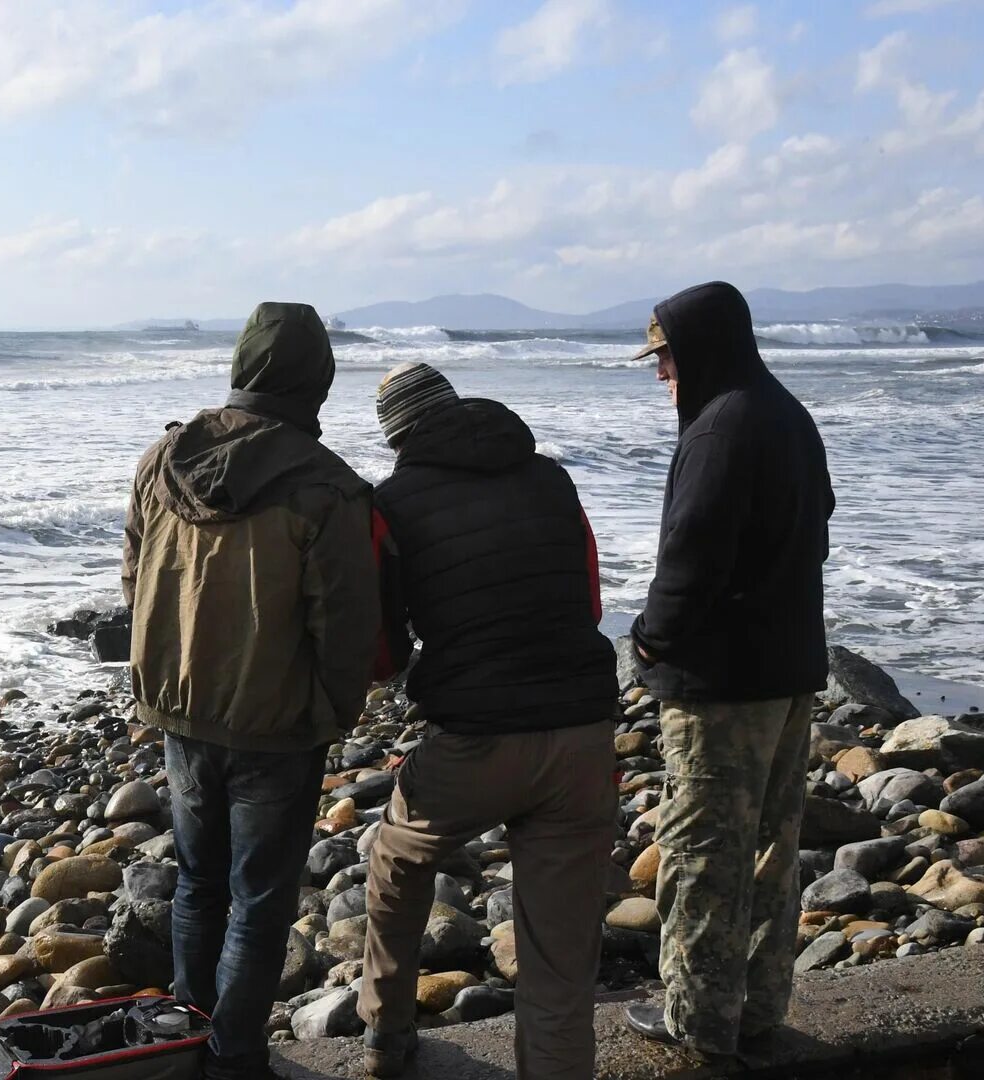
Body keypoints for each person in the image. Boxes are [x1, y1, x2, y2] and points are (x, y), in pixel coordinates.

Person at [122, 301, 380, 1080]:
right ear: (318, 381)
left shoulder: (164, 458)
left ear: (242, 365)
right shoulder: (327, 487)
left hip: (179, 707)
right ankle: (234, 1056)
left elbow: (134, 578)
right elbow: (342, 622)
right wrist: (338, 709)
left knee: (199, 884)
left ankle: (182, 1038)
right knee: (259, 899)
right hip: (276, 723)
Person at [358, 361, 616, 1079]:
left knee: (397, 862)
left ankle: (387, 1034)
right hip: (582, 735)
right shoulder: (552, 479)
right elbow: (590, 601)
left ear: (398, 435)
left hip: (476, 741)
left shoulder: (393, 503)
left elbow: (383, 652)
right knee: (560, 959)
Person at [620, 281, 835, 1058]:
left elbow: (690, 558)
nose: (660, 373)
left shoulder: (719, 429)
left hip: (723, 685)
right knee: (774, 851)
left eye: (666, 356)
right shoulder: (785, 414)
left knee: (704, 850)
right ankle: (757, 1009)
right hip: (788, 669)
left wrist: (648, 640)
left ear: (701, 348)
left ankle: (699, 1020)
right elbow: (821, 526)